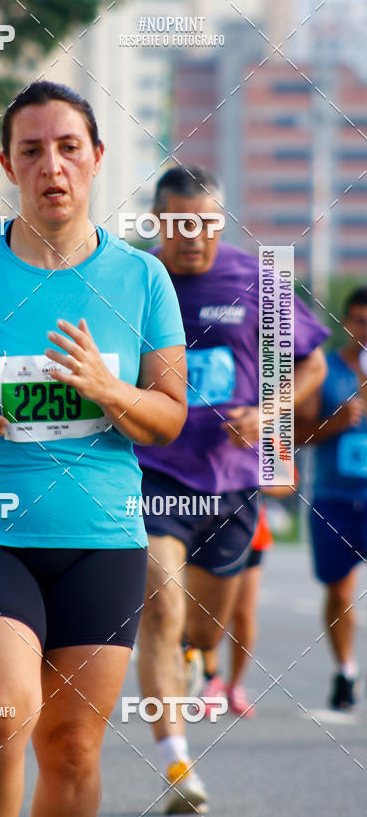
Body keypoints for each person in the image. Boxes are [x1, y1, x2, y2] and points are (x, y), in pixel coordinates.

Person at [0, 80, 188, 817]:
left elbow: (171, 415)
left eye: (68, 148)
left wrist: (110, 391)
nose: (52, 165)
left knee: (72, 746)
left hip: (101, 538)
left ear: (96, 159)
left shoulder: (141, 277)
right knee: (2, 712)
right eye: (32, 150)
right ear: (8, 163)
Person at [135, 165, 329, 814]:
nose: (194, 238)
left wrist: (269, 412)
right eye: (180, 224)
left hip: (232, 483)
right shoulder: (132, 279)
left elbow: (313, 363)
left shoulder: (255, 278)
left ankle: (196, 656)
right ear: (158, 223)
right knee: (160, 606)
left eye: (207, 224)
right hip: (155, 473)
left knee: (202, 628)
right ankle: (176, 766)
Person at [296, 286, 367, 711]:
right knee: (339, 593)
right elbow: (298, 434)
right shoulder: (325, 371)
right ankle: (345, 670)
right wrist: (335, 422)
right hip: (334, 500)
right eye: (360, 321)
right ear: (345, 323)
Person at [200, 502, 273, 719]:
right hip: (208, 525)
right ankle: (211, 679)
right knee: (210, 611)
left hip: (250, 531)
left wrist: (257, 479)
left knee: (243, 613)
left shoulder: (265, 465)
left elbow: (286, 482)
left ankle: (235, 686)